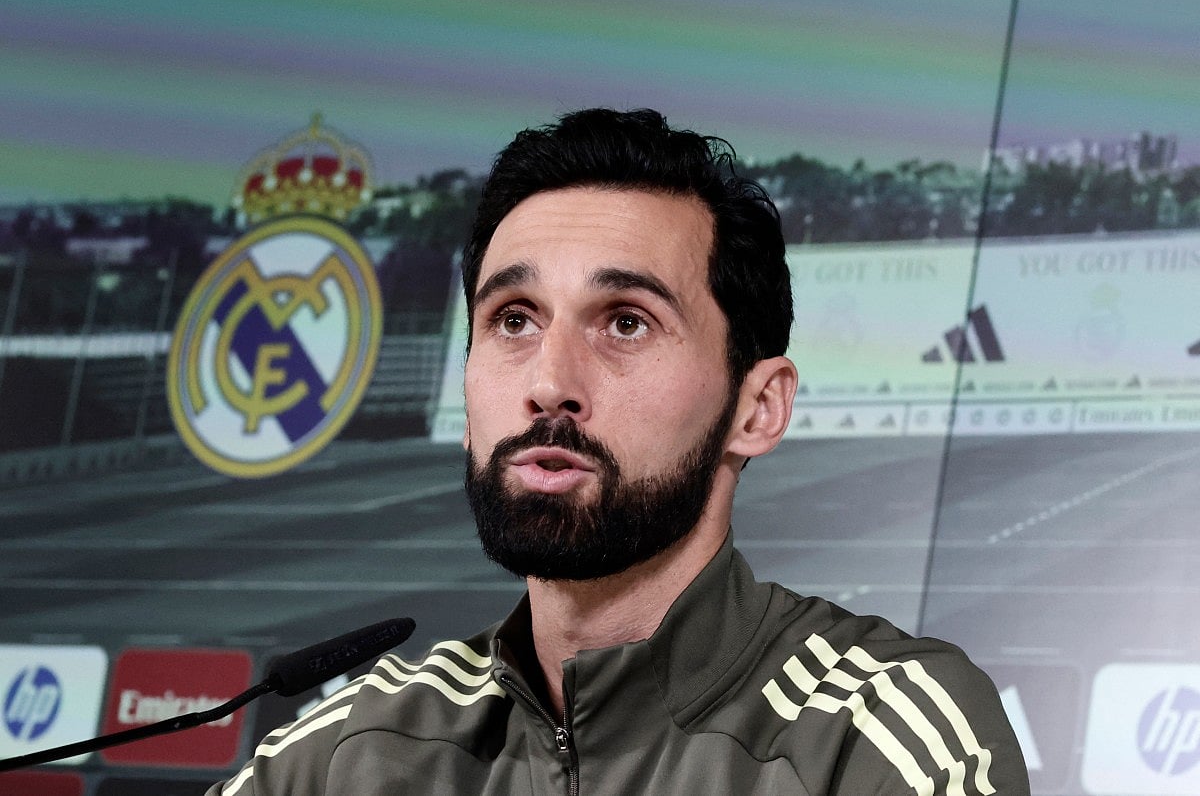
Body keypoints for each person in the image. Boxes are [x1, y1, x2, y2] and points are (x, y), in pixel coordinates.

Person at [208, 108, 1029, 795]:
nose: (548, 382)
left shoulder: (878, 731)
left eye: (626, 322)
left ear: (758, 406)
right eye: (515, 320)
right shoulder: (346, 754)